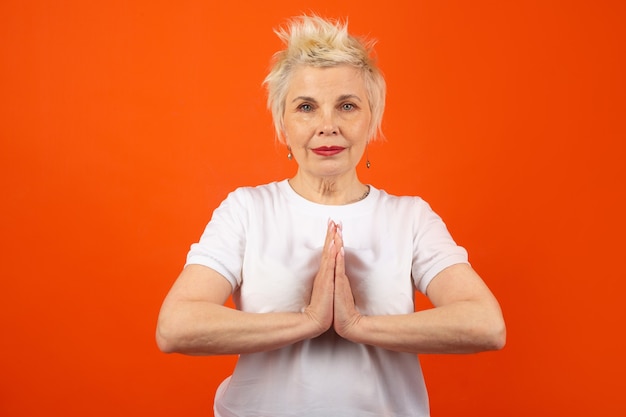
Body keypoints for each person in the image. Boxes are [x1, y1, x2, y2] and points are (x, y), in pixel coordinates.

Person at [156, 15, 506, 417]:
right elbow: (175, 326)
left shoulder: (410, 218)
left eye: (347, 106)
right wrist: (308, 321)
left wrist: (358, 326)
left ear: (371, 119)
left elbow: (485, 324)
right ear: (283, 123)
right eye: (306, 107)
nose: (327, 126)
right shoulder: (247, 210)